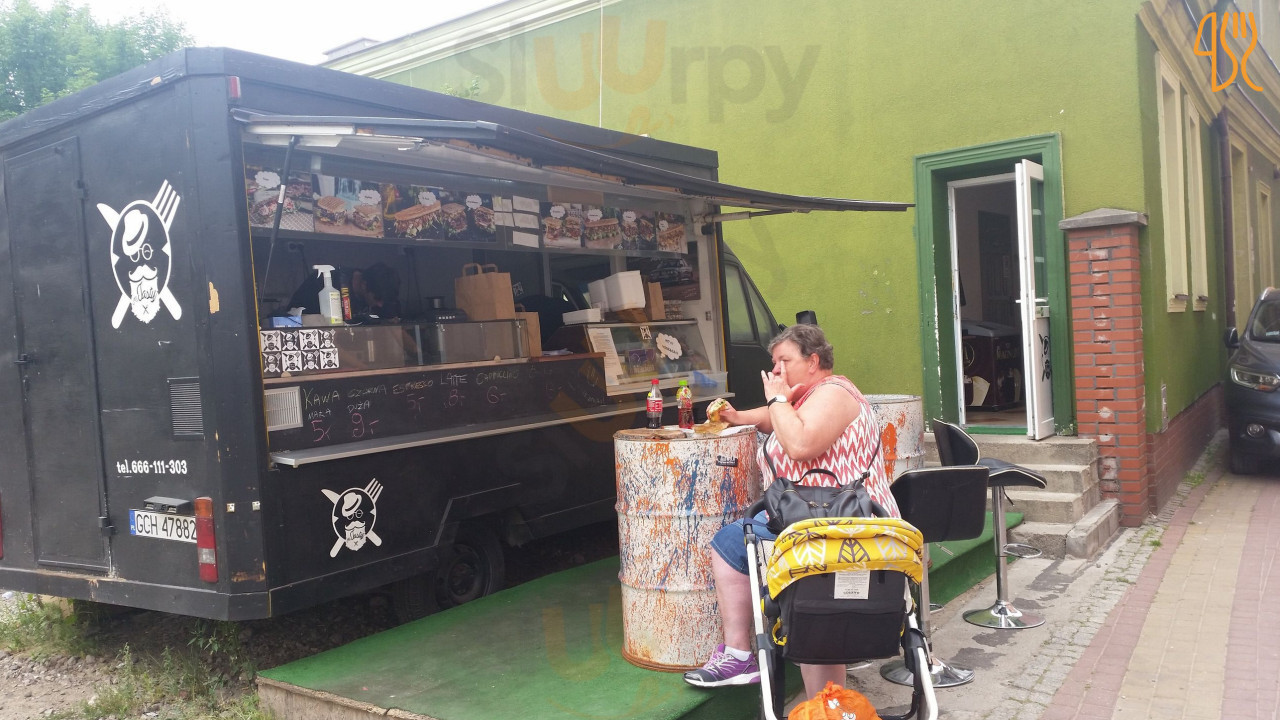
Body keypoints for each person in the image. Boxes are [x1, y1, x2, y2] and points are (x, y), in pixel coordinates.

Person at [682, 323, 898, 698]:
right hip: (815, 517)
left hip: (843, 526)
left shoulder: (834, 393)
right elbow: (778, 419)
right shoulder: (809, 397)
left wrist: (778, 399)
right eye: (774, 362)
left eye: (784, 361)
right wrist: (738, 416)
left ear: (813, 361)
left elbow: (800, 443)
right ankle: (745, 658)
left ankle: (810, 695)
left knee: (799, 588)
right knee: (732, 543)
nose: (776, 370)